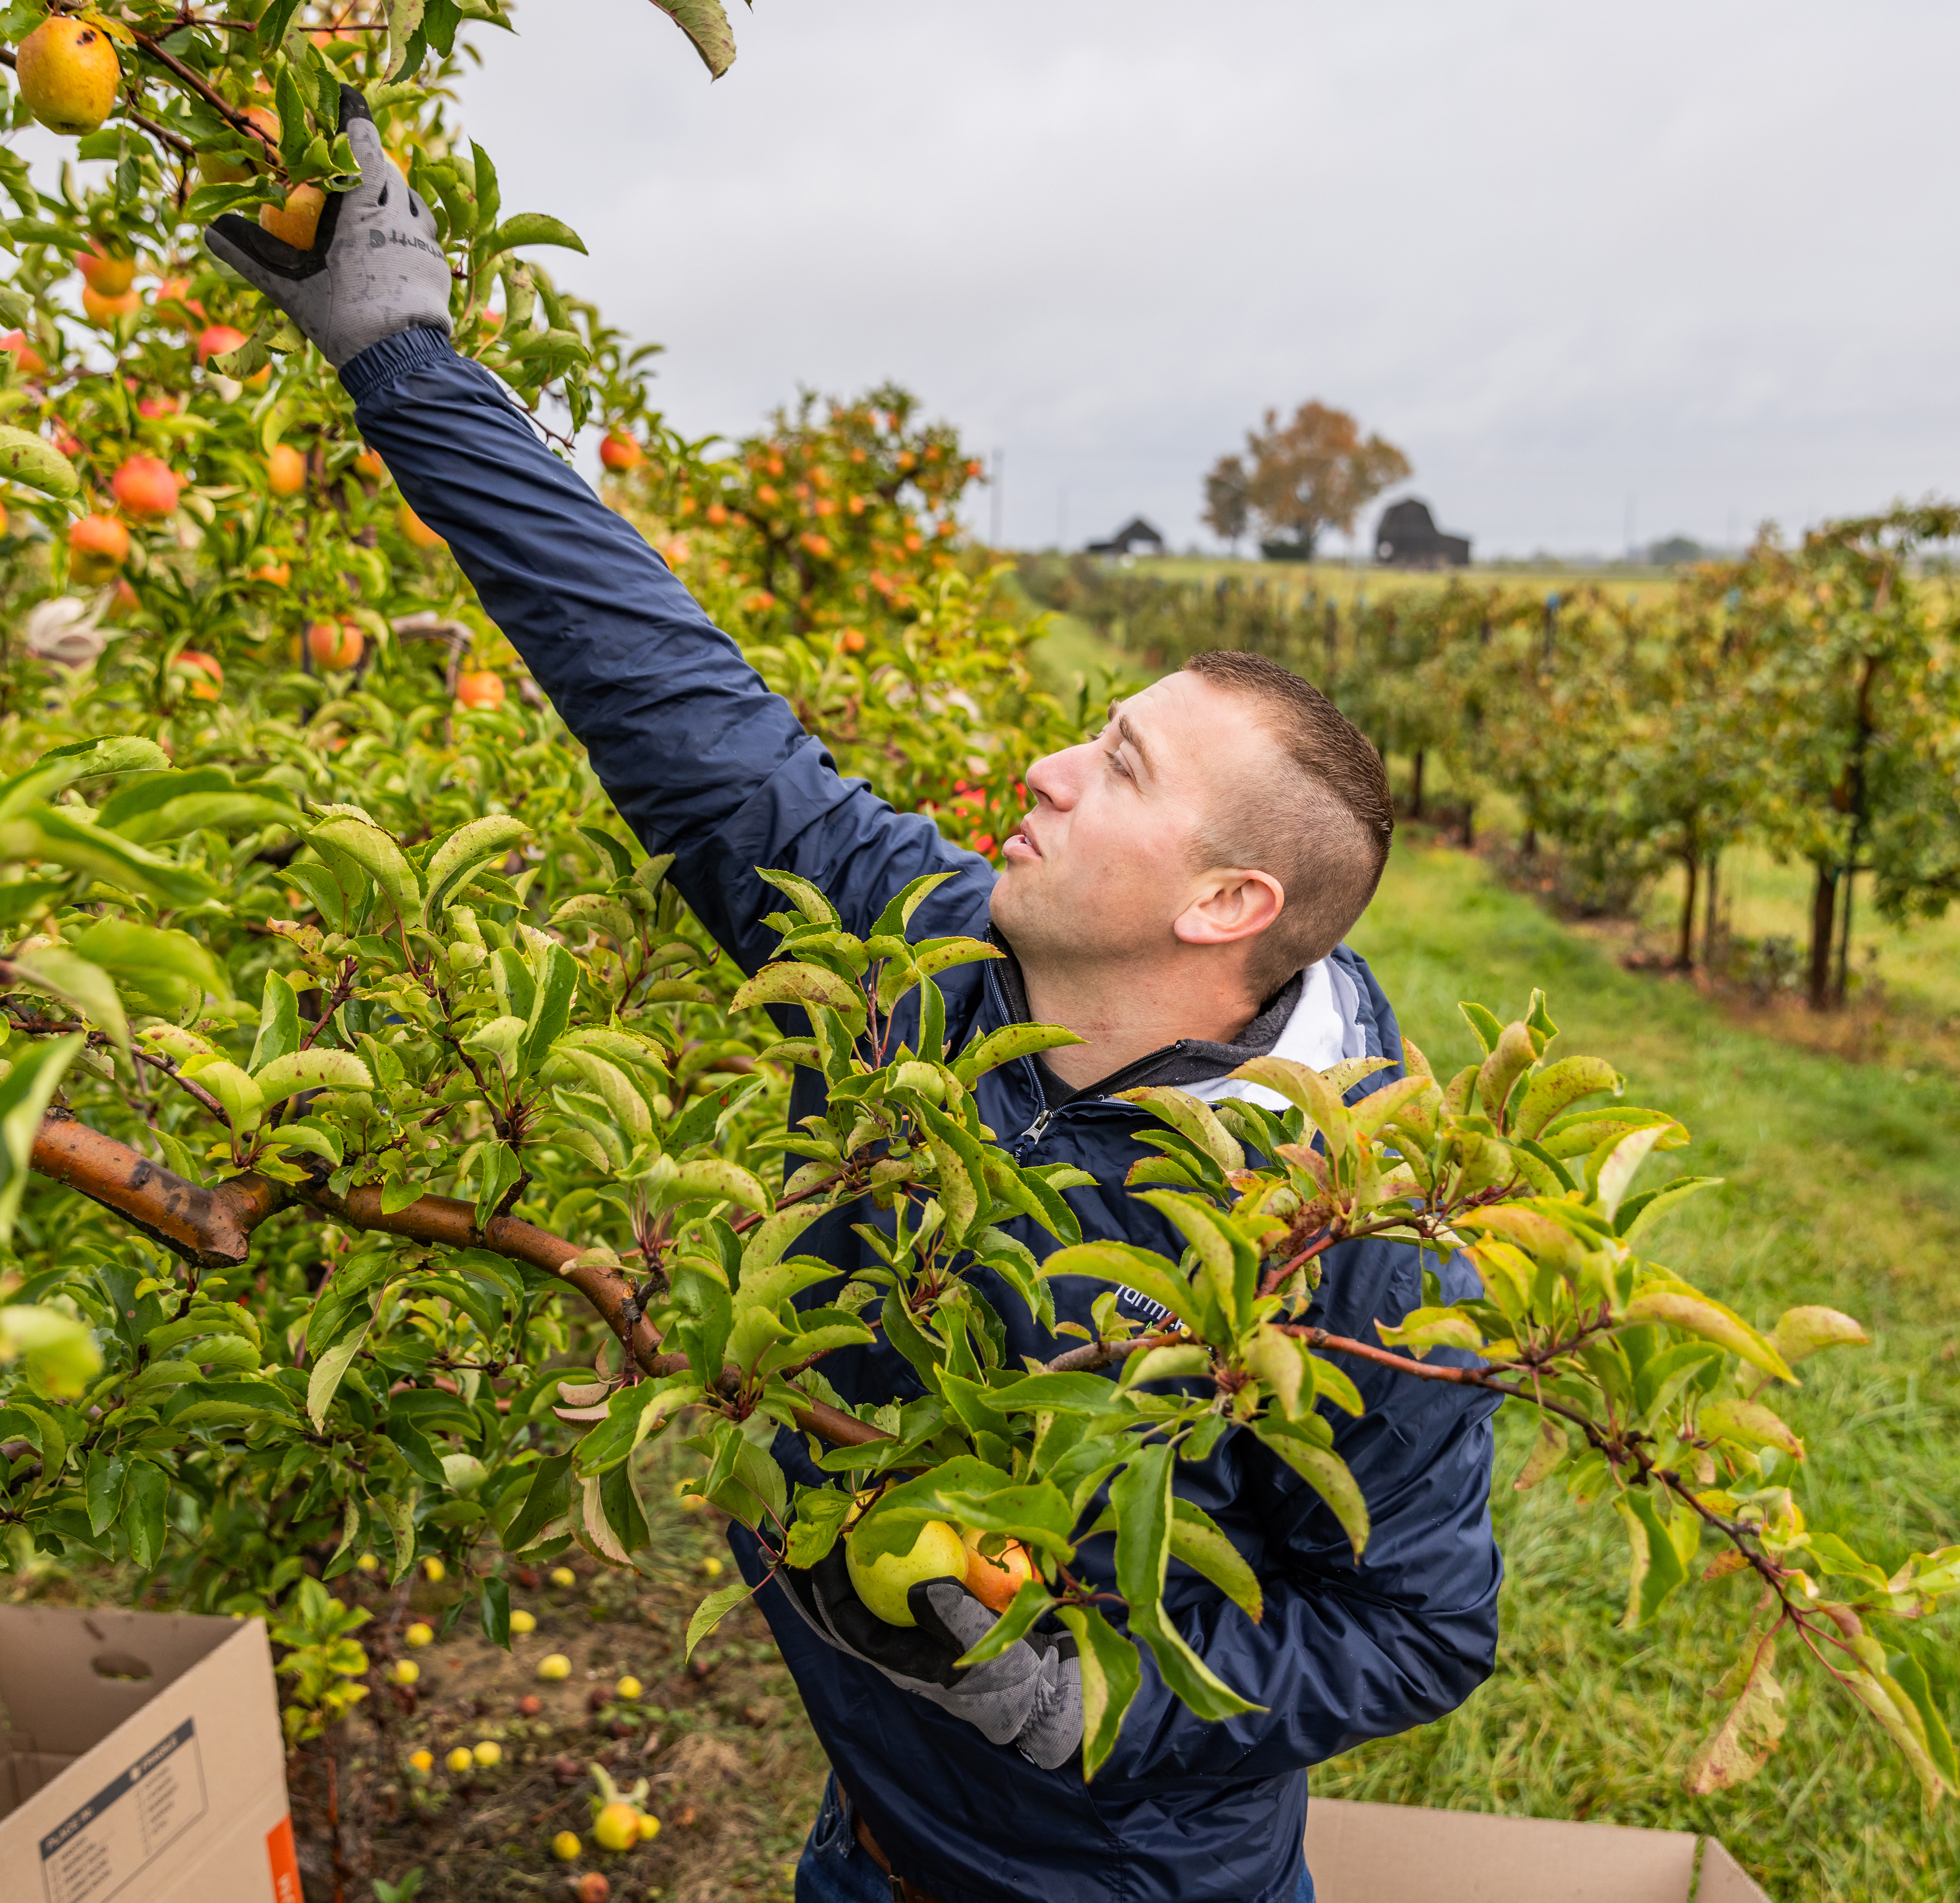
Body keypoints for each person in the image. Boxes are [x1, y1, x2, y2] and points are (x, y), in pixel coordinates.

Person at [208, 96, 1503, 1903]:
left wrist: (1086, 1698)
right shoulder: (929, 948)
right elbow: (683, 706)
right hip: (870, 1845)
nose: (1045, 765)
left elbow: (1421, 1629)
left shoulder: (1354, 1234)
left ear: (1230, 902)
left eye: (1117, 765)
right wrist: (408, 364)